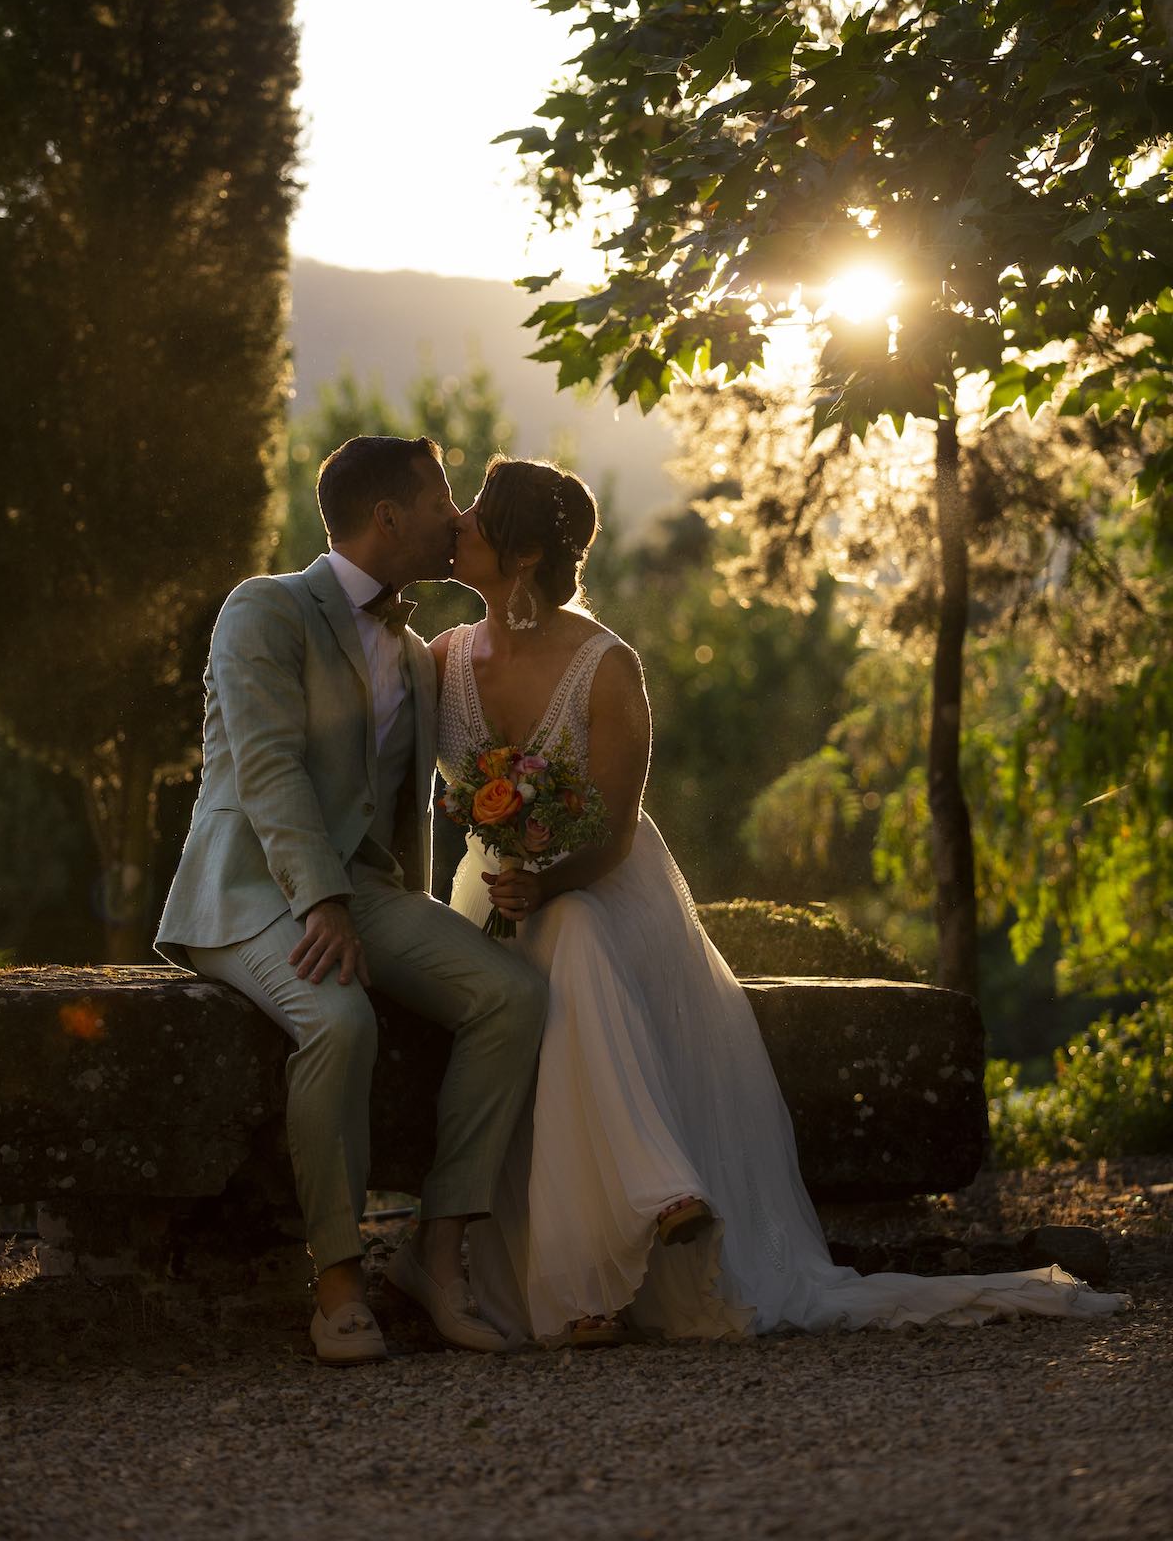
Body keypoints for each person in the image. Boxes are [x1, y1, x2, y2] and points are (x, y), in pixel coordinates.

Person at [434, 455, 1130, 1346]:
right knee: (548, 949)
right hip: (489, 892)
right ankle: (612, 1243)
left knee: (569, 933)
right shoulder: (445, 658)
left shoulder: (608, 669)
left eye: (477, 515)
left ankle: (617, 1248)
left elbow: (609, 838)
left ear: (523, 552)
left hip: (599, 890)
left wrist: (546, 881)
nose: (456, 522)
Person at [154, 435, 547, 1364]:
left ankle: (436, 1252)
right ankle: (335, 1281)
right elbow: (267, 768)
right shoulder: (264, 609)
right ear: (387, 518)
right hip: (250, 889)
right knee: (340, 1025)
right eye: (443, 500)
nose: (457, 518)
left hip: (365, 893)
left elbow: (429, 797)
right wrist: (321, 900)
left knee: (513, 995)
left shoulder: (417, 654)